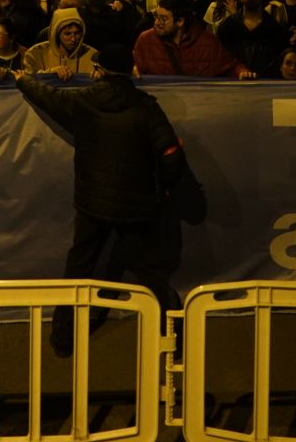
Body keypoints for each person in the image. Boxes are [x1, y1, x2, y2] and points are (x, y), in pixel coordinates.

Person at [10, 44, 186, 356]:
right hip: (137, 204)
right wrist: (167, 188)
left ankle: (63, 339)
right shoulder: (146, 107)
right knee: (150, 271)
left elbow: (48, 97)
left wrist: (24, 80)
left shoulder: (84, 100)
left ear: (98, 70)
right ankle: (172, 334)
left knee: (79, 269)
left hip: (93, 202)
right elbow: (170, 153)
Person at [134, 0, 252, 78]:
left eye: (163, 19)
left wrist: (242, 73)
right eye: (156, 17)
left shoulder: (208, 43)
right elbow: (135, 68)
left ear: (180, 22)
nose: (157, 22)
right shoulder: (146, 40)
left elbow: (230, 66)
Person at [22, 7, 100, 79]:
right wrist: (50, 73)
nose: (73, 39)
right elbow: (28, 83)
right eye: (67, 34)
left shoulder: (92, 56)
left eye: (77, 33)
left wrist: (100, 75)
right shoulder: (35, 54)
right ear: (57, 34)